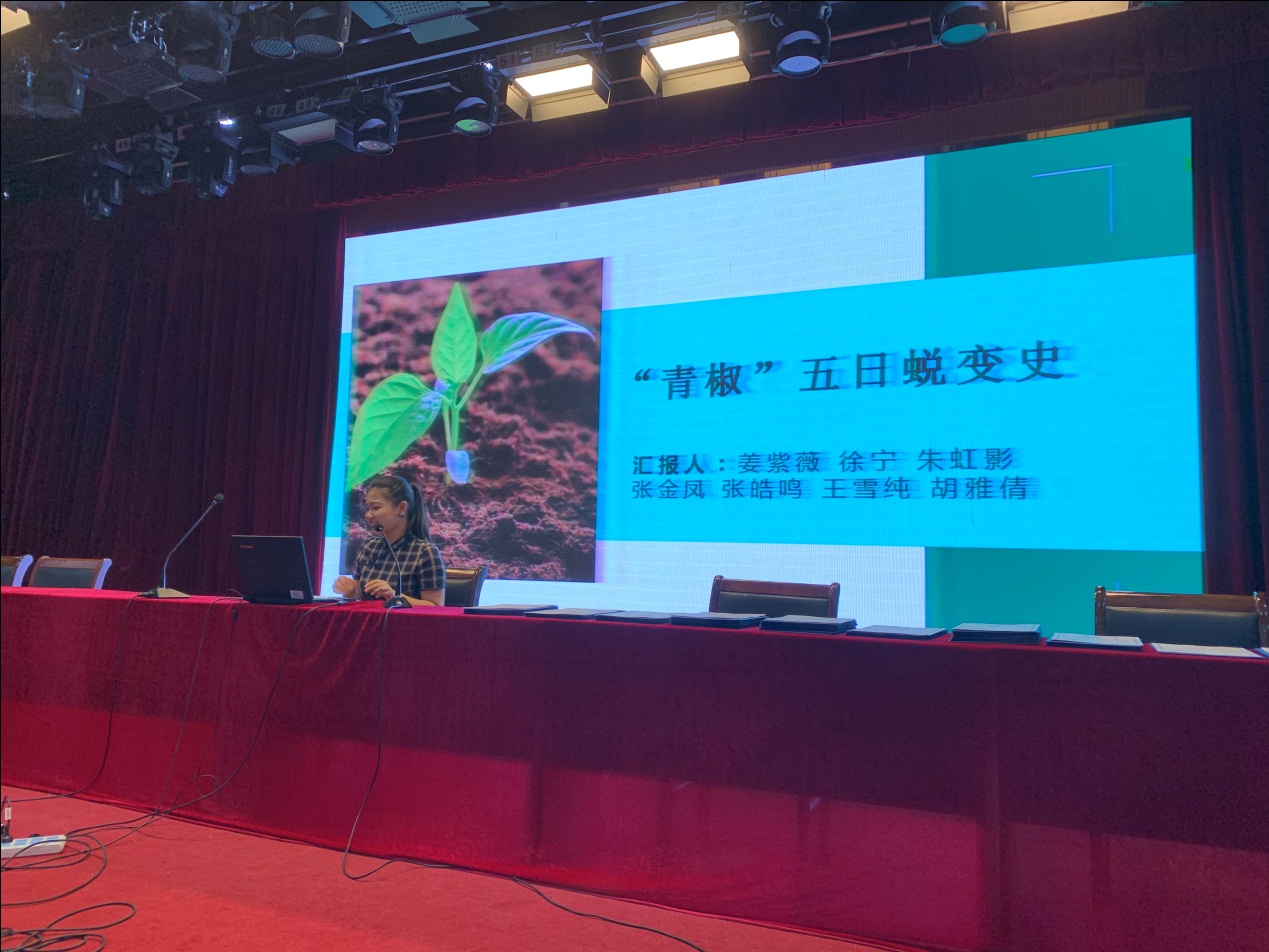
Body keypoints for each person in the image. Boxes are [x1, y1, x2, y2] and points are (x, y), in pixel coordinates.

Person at [334, 475, 446, 607]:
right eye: (367, 508)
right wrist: (351, 591)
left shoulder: (425, 553)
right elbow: (361, 599)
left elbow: (436, 606)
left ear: (401, 508)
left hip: (403, 620)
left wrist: (395, 597)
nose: (369, 515)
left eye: (376, 508)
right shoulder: (369, 546)